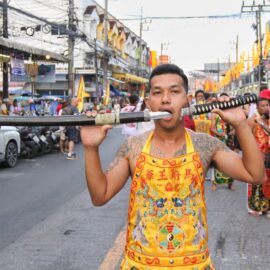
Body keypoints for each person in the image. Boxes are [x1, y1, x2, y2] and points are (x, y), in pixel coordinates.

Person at [80, 64, 265, 270]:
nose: (166, 99)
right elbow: (100, 196)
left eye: (174, 92)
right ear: (149, 103)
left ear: (187, 99)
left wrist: (240, 124)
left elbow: (256, 175)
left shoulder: (205, 145)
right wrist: (90, 148)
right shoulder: (133, 147)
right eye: (157, 93)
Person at [247, 89, 270, 218]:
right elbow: (245, 137)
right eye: (263, 106)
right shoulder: (252, 120)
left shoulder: (267, 119)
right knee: (255, 181)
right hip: (256, 156)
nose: (267, 108)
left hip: (268, 156)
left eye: (268, 105)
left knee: (267, 182)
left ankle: (266, 207)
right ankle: (254, 207)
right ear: (257, 107)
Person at [210, 92, 235, 191]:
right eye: (222, 99)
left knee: (231, 161)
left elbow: (235, 126)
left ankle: (230, 183)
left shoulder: (231, 113)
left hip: (228, 140)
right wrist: (219, 134)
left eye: (226, 99)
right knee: (217, 161)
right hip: (219, 140)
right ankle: (214, 183)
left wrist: (233, 132)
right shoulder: (215, 113)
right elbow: (212, 128)